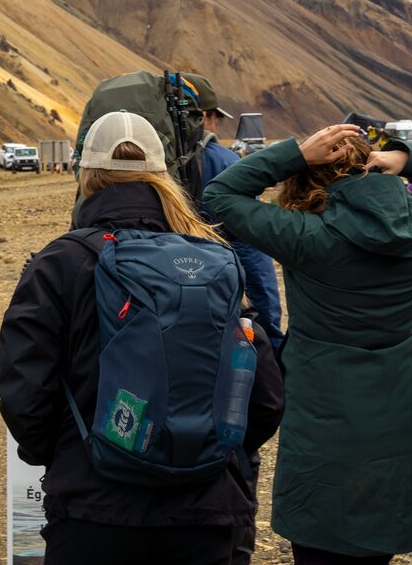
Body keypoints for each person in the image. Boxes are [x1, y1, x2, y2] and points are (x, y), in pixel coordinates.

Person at [0, 111, 283, 565]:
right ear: (161, 176)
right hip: (205, 515)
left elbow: (23, 390)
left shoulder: (59, 263)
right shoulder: (214, 261)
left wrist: (68, 455)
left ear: (86, 176)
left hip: (93, 511)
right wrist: (216, 452)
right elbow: (264, 394)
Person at [204, 125, 412, 565]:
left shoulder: (307, 238)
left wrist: (295, 154)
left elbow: (220, 196)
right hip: (397, 437)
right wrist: (405, 156)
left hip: (323, 437)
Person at [185, 74, 283, 565]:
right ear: (205, 117)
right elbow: (254, 259)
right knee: (234, 445)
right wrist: (271, 337)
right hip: (224, 326)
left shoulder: (148, 162)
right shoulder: (222, 162)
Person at [189, 75, 284, 350]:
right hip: (221, 292)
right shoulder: (228, 164)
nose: (217, 124)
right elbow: (250, 247)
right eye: (215, 117)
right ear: (205, 116)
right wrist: (269, 332)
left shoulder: (156, 163)